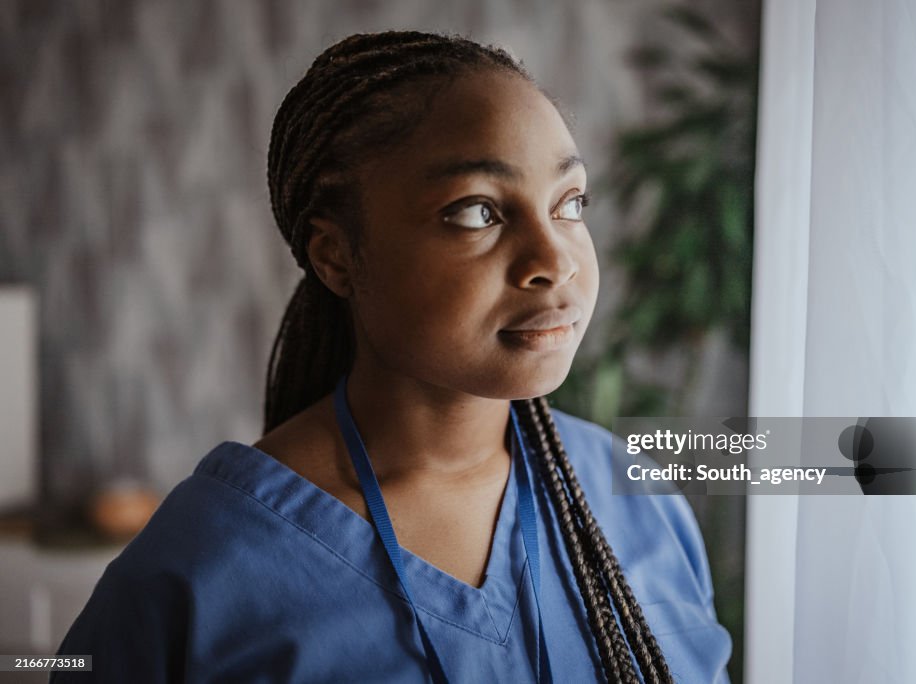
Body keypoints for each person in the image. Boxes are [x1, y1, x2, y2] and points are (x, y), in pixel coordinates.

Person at [53, 31, 731, 683]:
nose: (554, 261)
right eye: (476, 213)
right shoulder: (205, 563)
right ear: (335, 255)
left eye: (569, 203)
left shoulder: (636, 501)